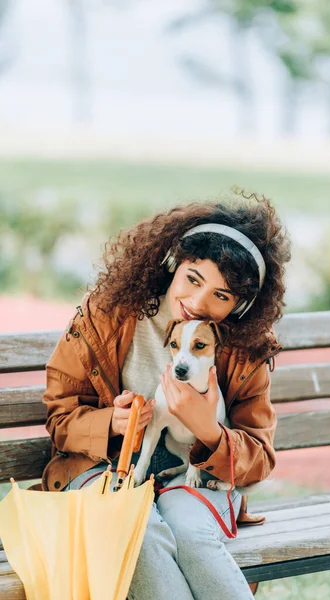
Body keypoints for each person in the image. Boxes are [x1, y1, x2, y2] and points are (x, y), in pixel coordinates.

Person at [42, 192, 291, 599]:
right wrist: (110, 422)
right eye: (193, 279)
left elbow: (258, 458)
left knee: (192, 533)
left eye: (221, 296)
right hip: (100, 468)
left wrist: (209, 432)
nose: (197, 303)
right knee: (137, 531)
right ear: (174, 262)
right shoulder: (107, 312)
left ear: (242, 306)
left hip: (194, 475)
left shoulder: (245, 348)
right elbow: (60, 415)